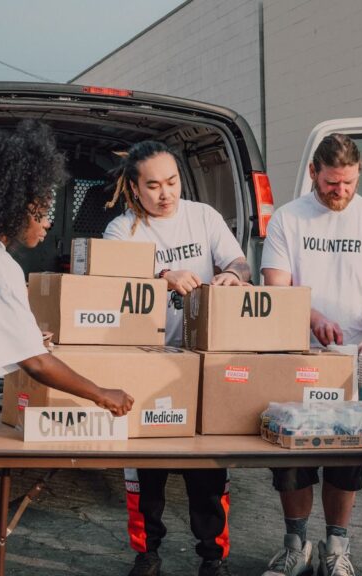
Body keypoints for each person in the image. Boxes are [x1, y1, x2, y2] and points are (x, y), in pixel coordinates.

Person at [0, 119, 135, 576]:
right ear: (9, 205)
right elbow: (36, 362)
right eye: (40, 207)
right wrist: (102, 394)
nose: (48, 220)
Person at [260, 133, 362, 576]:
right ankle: (295, 546)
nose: (339, 192)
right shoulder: (288, 219)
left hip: (356, 358)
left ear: (359, 174)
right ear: (313, 174)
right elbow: (276, 287)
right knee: (294, 457)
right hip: (300, 354)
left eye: (347, 183)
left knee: (349, 457)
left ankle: (336, 549)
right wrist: (314, 316)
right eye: (330, 184)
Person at [103, 140, 249, 576]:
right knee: (148, 469)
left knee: (206, 469)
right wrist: (163, 277)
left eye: (172, 182)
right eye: (153, 185)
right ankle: (147, 556)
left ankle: (213, 558)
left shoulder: (203, 217)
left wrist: (230, 275)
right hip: (146, 365)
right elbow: (111, 281)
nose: (165, 193)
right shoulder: (122, 230)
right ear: (134, 187)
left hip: (205, 362)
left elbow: (240, 262)